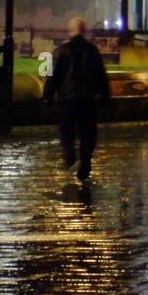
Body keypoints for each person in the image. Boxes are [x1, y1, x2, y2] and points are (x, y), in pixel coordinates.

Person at [43, 17, 111, 182]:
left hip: (68, 99)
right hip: (88, 99)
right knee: (88, 134)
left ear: (70, 31)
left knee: (67, 130)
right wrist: (105, 96)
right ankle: (85, 165)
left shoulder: (61, 50)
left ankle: (70, 156)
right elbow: (101, 75)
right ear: (84, 31)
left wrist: (48, 96)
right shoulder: (92, 50)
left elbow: (52, 75)